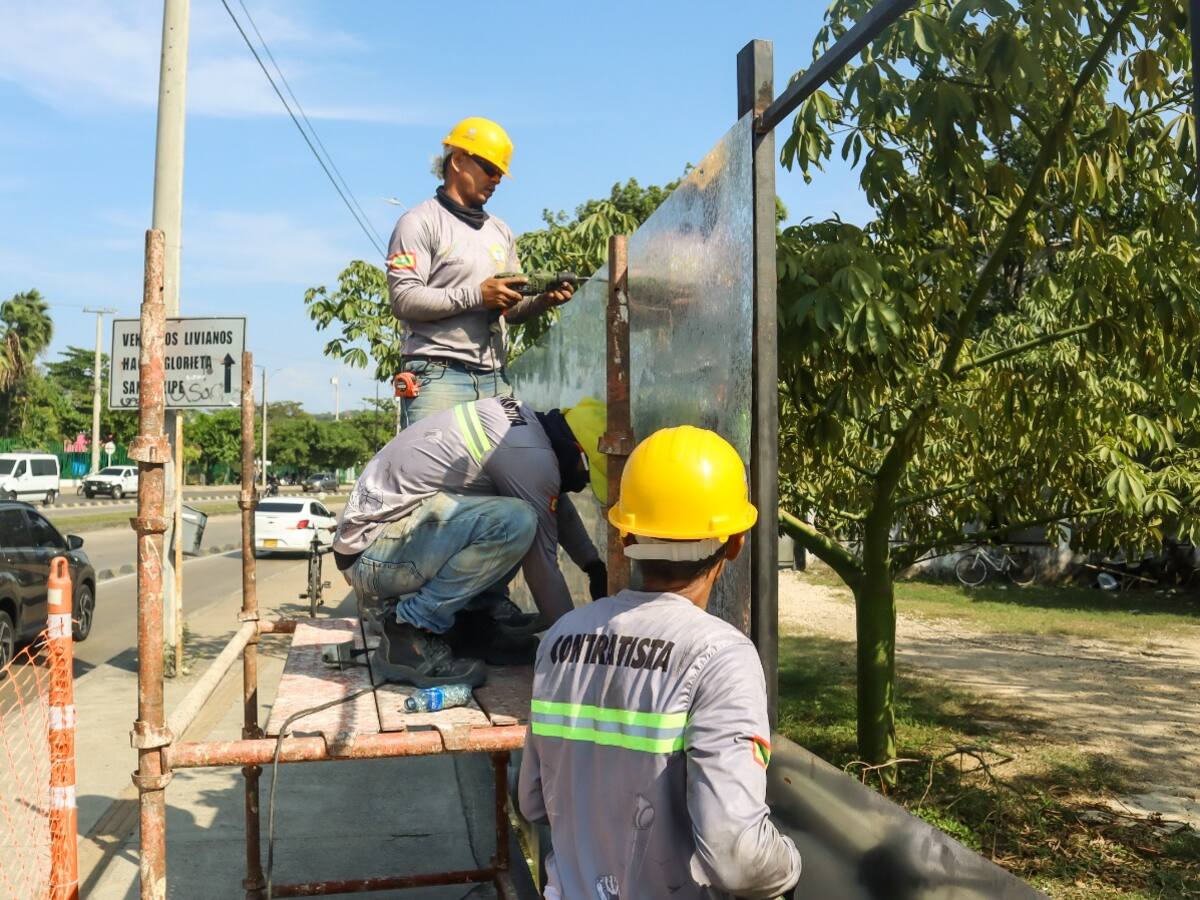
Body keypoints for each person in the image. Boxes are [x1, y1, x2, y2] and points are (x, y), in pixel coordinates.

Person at [518, 426, 802, 899]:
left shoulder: (562, 638)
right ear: (733, 544)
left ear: (627, 533)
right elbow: (737, 857)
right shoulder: (719, 657)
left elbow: (531, 800)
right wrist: (789, 864)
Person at [332, 395, 609, 687]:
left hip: (381, 543)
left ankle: (475, 625)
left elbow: (555, 504)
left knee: (522, 512)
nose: (583, 485)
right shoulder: (530, 455)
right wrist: (577, 650)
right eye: (587, 476)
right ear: (577, 453)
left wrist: (592, 565)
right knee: (516, 522)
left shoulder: (524, 428)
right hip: (372, 555)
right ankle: (408, 631)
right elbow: (542, 569)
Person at [387, 116, 575, 427]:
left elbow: (508, 312)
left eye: (500, 173)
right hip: (438, 375)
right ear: (459, 160)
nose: (497, 179)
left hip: (494, 377)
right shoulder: (418, 222)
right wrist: (477, 295)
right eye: (490, 169)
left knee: (509, 467)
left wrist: (543, 302)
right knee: (434, 474)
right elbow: (404, 299)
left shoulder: (500, 231)